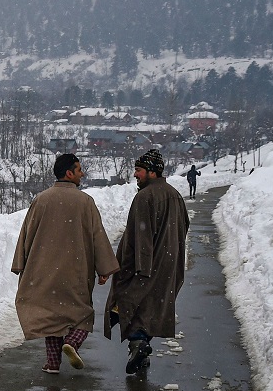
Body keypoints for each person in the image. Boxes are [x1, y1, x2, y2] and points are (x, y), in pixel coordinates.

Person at [12, 153, 119, 374]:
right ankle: (73, 342)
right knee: (82, 313)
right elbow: (97, 236)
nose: (82, 173)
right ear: (69, 173)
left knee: (51, 316)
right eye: (79, 169)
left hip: (44, 270)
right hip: (76, 270)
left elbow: (26, 233)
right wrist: (104, 268)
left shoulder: (41, 199)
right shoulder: (85, 202)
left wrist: (20, 263)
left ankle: (52, 363)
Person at [104, 148, 190, 374]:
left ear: (152, 172)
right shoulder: (175, 195)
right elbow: (185, 227)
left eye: (139, 170)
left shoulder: (145, 197)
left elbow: (141, 235)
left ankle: (138, 343)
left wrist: (140, 267)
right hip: (169, 263)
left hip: (146, 264)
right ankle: (141, 353)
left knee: (129, 302)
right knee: (152, 307)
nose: (135, 174)